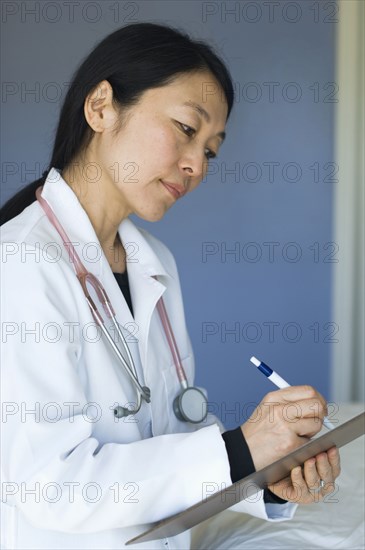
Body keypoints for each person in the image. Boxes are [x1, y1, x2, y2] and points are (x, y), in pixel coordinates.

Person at [0, 22, 340, 550]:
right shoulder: (20, 262)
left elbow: (176, 435)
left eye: (211, 151)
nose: (196, 166)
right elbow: (49, 484)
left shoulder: (153, 263)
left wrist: (263, 472)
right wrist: (239, 450)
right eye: (186, 128)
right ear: (101, 108)